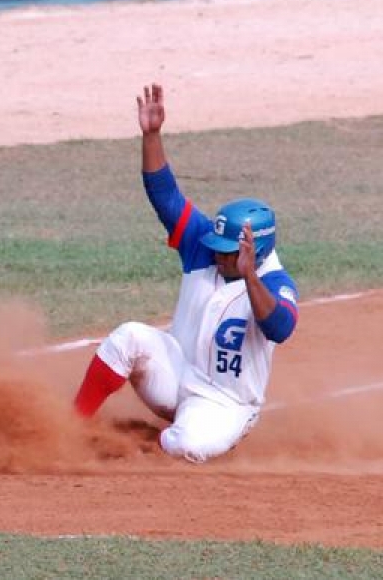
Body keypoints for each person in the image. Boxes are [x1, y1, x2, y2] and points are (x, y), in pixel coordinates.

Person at [73, 84, 299, 463]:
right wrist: (152, 136)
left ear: (253, 252)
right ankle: (71, 428)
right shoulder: (201, 242)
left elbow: (280, 328)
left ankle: (142, 442)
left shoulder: (276, 283)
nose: (216, 253)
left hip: (225, 403)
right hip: (176, 371)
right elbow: (165, 196)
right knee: (128, 336)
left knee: (188, 446)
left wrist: (249, 279)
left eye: (227, 251)